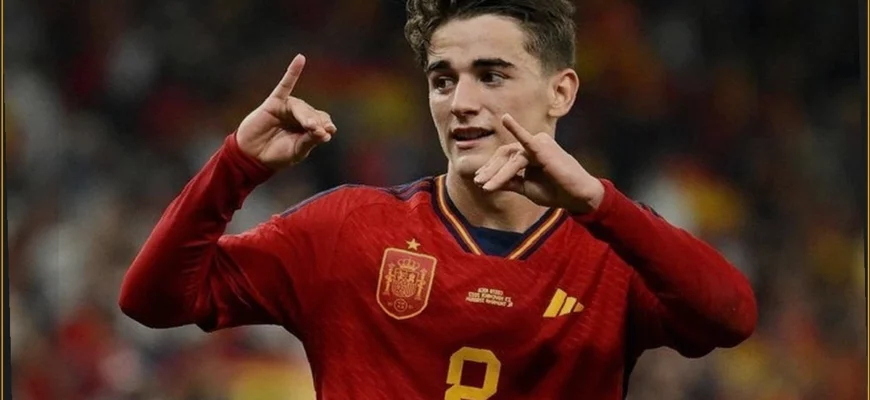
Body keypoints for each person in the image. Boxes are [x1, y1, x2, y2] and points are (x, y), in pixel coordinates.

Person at [119, 0, 758, 398]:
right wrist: (235, 164)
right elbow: (153, 300)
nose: (461, 103)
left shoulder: (614, 250)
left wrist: (598, 204)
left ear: (560, 92)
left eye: (492, 75)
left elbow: (730, 318)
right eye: (442, 80)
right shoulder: (346, 229)